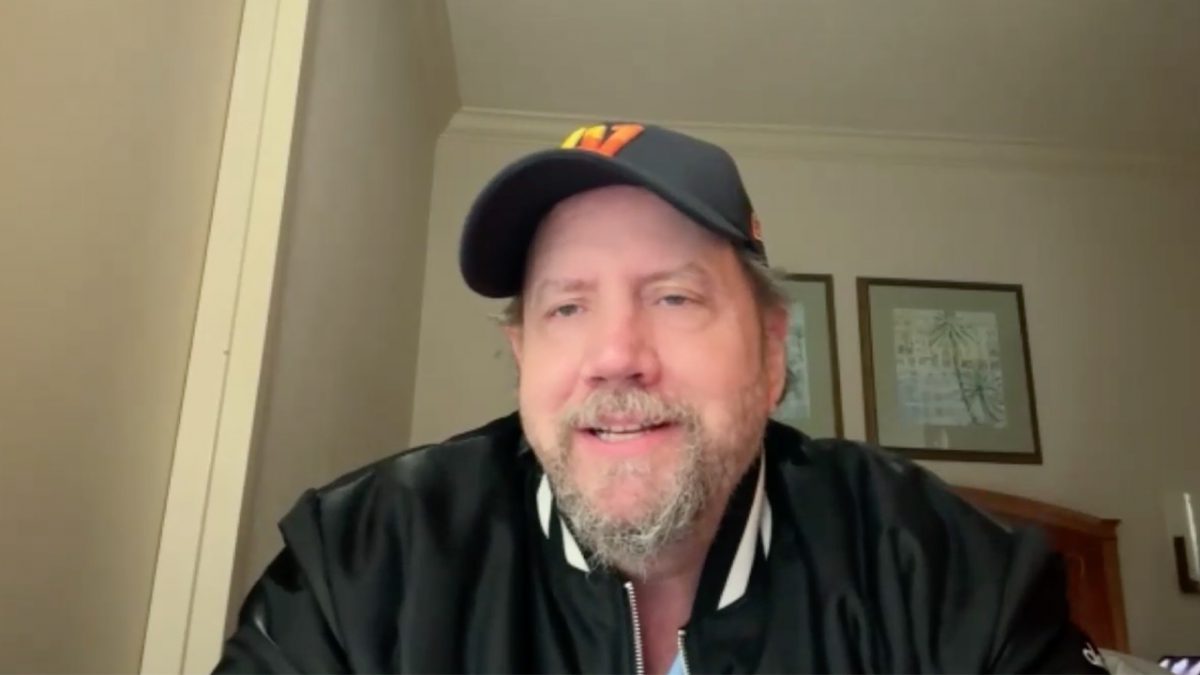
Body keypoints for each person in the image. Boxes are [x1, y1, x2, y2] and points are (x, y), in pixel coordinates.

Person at [214, 122, 1110, 674]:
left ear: (770, 351)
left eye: (674, 297)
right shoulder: (362, 562)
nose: (615, 356)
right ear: (522, 356)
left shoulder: (951, 575)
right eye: (567, 307)